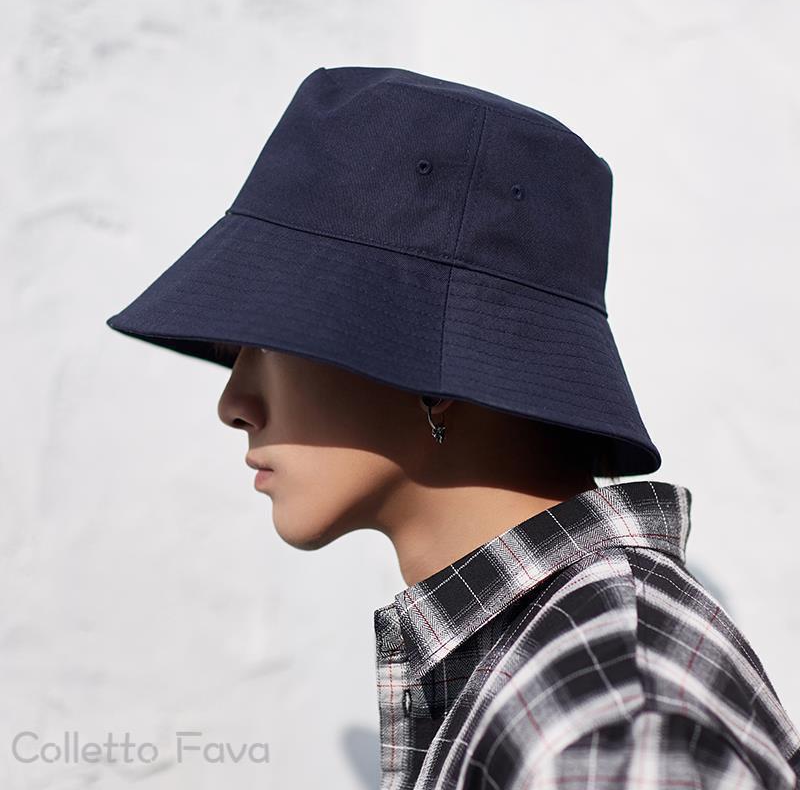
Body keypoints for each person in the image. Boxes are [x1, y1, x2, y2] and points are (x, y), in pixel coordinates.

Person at [106, 66, 800, 789]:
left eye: (269, 339)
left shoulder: (609, 721)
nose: (234, 403)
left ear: (437, 380)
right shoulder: (551, 668)